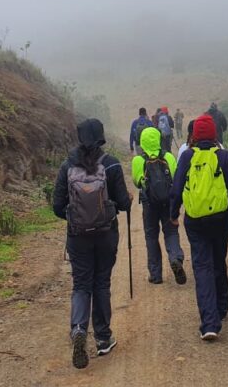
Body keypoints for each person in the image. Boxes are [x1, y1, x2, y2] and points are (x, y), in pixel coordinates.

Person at [52, 118, 133, 369]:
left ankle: (78, 328)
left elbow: (56, 207)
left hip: (78, 237)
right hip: (106, 234)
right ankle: (103, 338)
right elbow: (123, 204)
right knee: (101, 283)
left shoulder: (67, 166)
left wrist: (75, 215)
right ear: (101, 137)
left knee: (81, 284)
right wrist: (126, 199)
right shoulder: (111, 165)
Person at [170, 113, 228, 341]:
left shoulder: (186, 157)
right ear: (214, 135)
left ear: (194, 136)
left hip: (195, 221)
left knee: (202, 266)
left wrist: (173, 214)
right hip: (221, 220)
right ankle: (222, 306)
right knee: (218, 260)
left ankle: (209, 323)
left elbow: (176, 190)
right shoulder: (224, 156)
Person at [131, 126, 187, 285]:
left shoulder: (138, 160)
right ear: (158, 139)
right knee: (170, 232)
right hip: (168, 202)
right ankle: (175, 258)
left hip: (149, 205)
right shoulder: (168, 157)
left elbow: (136, 182)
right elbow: (176, 179)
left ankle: (156, 275)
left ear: (142, 141)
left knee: (151, 236)